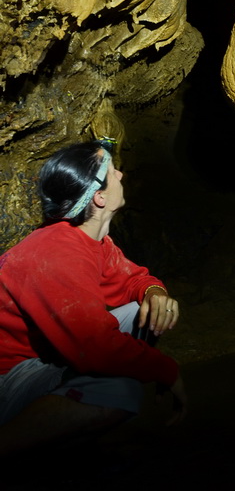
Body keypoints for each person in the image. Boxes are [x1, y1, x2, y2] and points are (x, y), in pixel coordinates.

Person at [0, 139, 187, 455]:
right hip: (8, 376)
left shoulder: (90, 241)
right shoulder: (55, 253)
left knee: (140, 311)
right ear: (99, 197)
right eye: (113, 172)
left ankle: (67, 432)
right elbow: (95, 348)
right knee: (118, 391)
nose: (122, 175)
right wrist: (168, 371)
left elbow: (132, 279)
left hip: (41, 358)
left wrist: (154, 293)